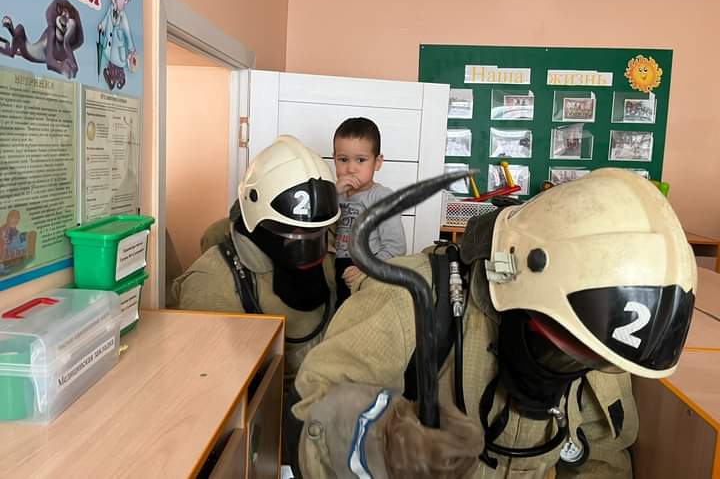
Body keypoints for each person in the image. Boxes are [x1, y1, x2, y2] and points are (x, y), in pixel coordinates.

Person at [286, 168, 697, 478]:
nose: (574, 367)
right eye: (561, 349)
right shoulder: (408, 298)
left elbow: (605, 457)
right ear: (517, 286)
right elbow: (312, 416)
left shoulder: (605, 339)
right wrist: (385, 443)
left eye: (587, 360)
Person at [168, 135, 340, 388]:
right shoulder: (211, 285)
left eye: (315, 234)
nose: (308, 245)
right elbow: (211, 388)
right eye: (294, 234)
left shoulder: (328, 247)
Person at [333, 117, 406, 309]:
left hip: (368, 270)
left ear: (377, 163)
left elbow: (396, 247)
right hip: (335, 269)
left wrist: (366, 270)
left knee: (361, 316)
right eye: (343, 160)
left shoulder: (382, 198)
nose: (351, 168)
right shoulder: (334, 194)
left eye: (361, 160)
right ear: (334, 159)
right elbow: (317, 224)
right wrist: (332, 194)